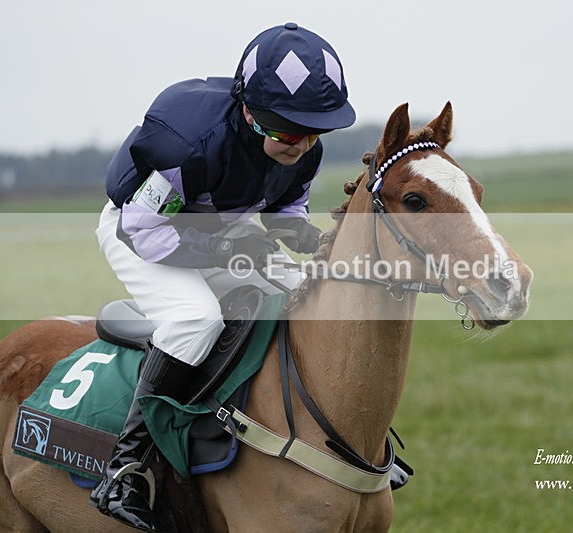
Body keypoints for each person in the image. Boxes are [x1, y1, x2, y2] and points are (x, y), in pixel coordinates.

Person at [90, 23, 355, 531]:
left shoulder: (301, 149)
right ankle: (127, 468)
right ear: (250, 114)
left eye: (313, 132)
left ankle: (343, 443)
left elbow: (285, 202)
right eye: (287, 131)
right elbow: (143, 229)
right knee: (197, 318)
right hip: (140, 230)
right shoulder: (191, 146)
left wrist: (296, 233)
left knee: (303, 295)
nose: (301, 145)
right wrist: (225, 245)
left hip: (215, 229)